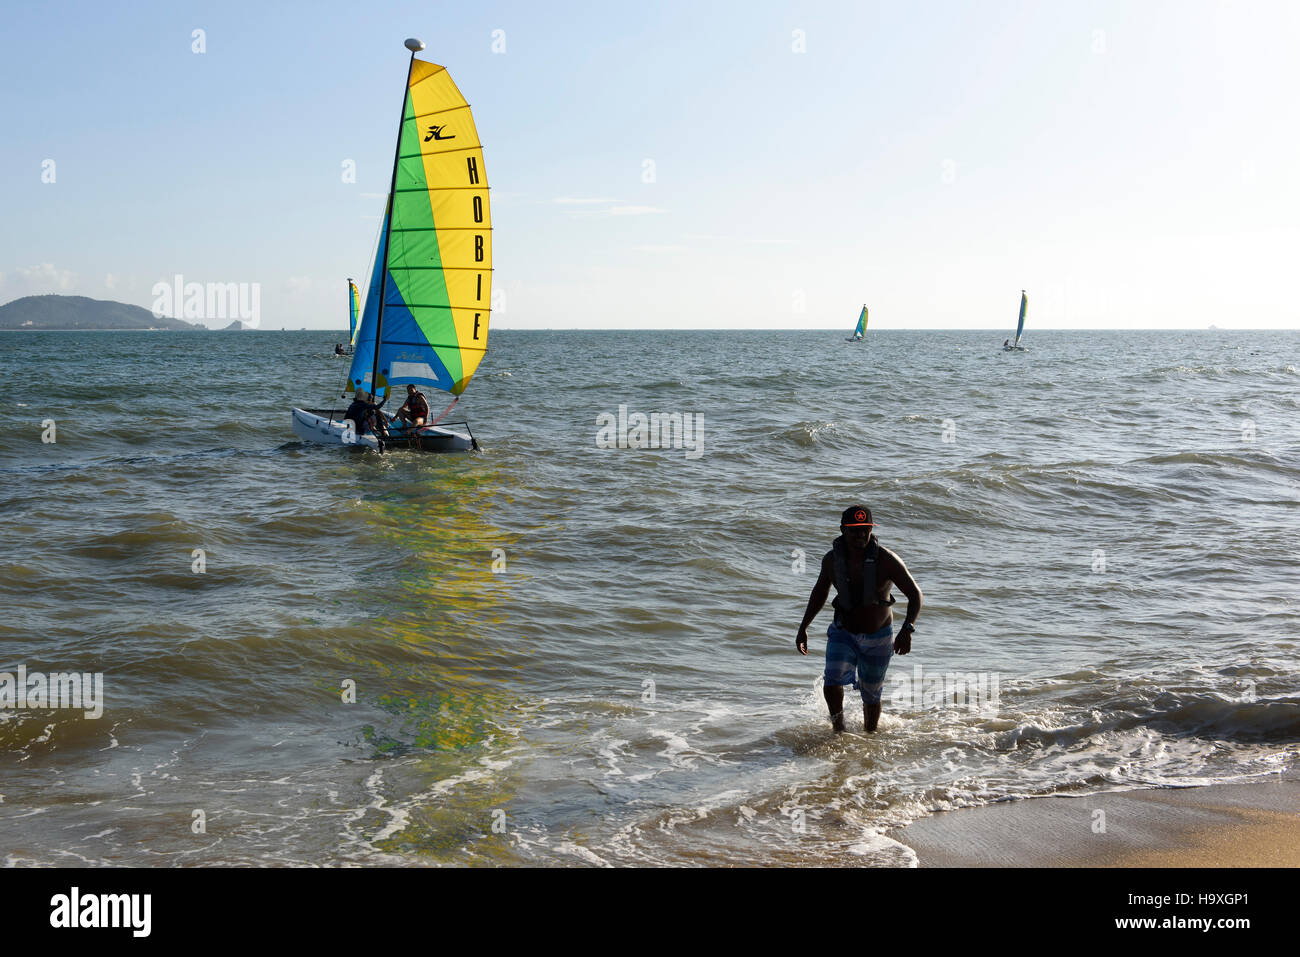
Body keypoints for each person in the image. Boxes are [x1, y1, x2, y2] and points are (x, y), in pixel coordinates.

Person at [795, 505, 922, 733]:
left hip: (879, 636)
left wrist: (907, 629)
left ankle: (869, 736)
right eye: (854, 530)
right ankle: (838, 730)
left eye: (865, 529)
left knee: (871, 693)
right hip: (843, 631)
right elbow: (819, 592)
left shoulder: (887, 560)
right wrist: (803, 627)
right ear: (843, 530)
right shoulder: (832, 560)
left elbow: (915, 594)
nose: (860, 535)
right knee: (832, 680)